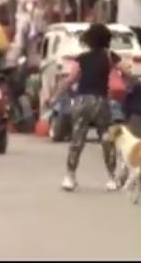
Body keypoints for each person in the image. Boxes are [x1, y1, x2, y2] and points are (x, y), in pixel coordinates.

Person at [49, 23, 131, 191]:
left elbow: (70, 80)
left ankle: (70, 177)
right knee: (106, 139)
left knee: (77, 139)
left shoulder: (82, 58)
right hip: (101, 101)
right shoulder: (110, 56)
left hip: (81, 101)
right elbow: (127, 71)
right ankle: (111, 178)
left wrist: (55, 97)